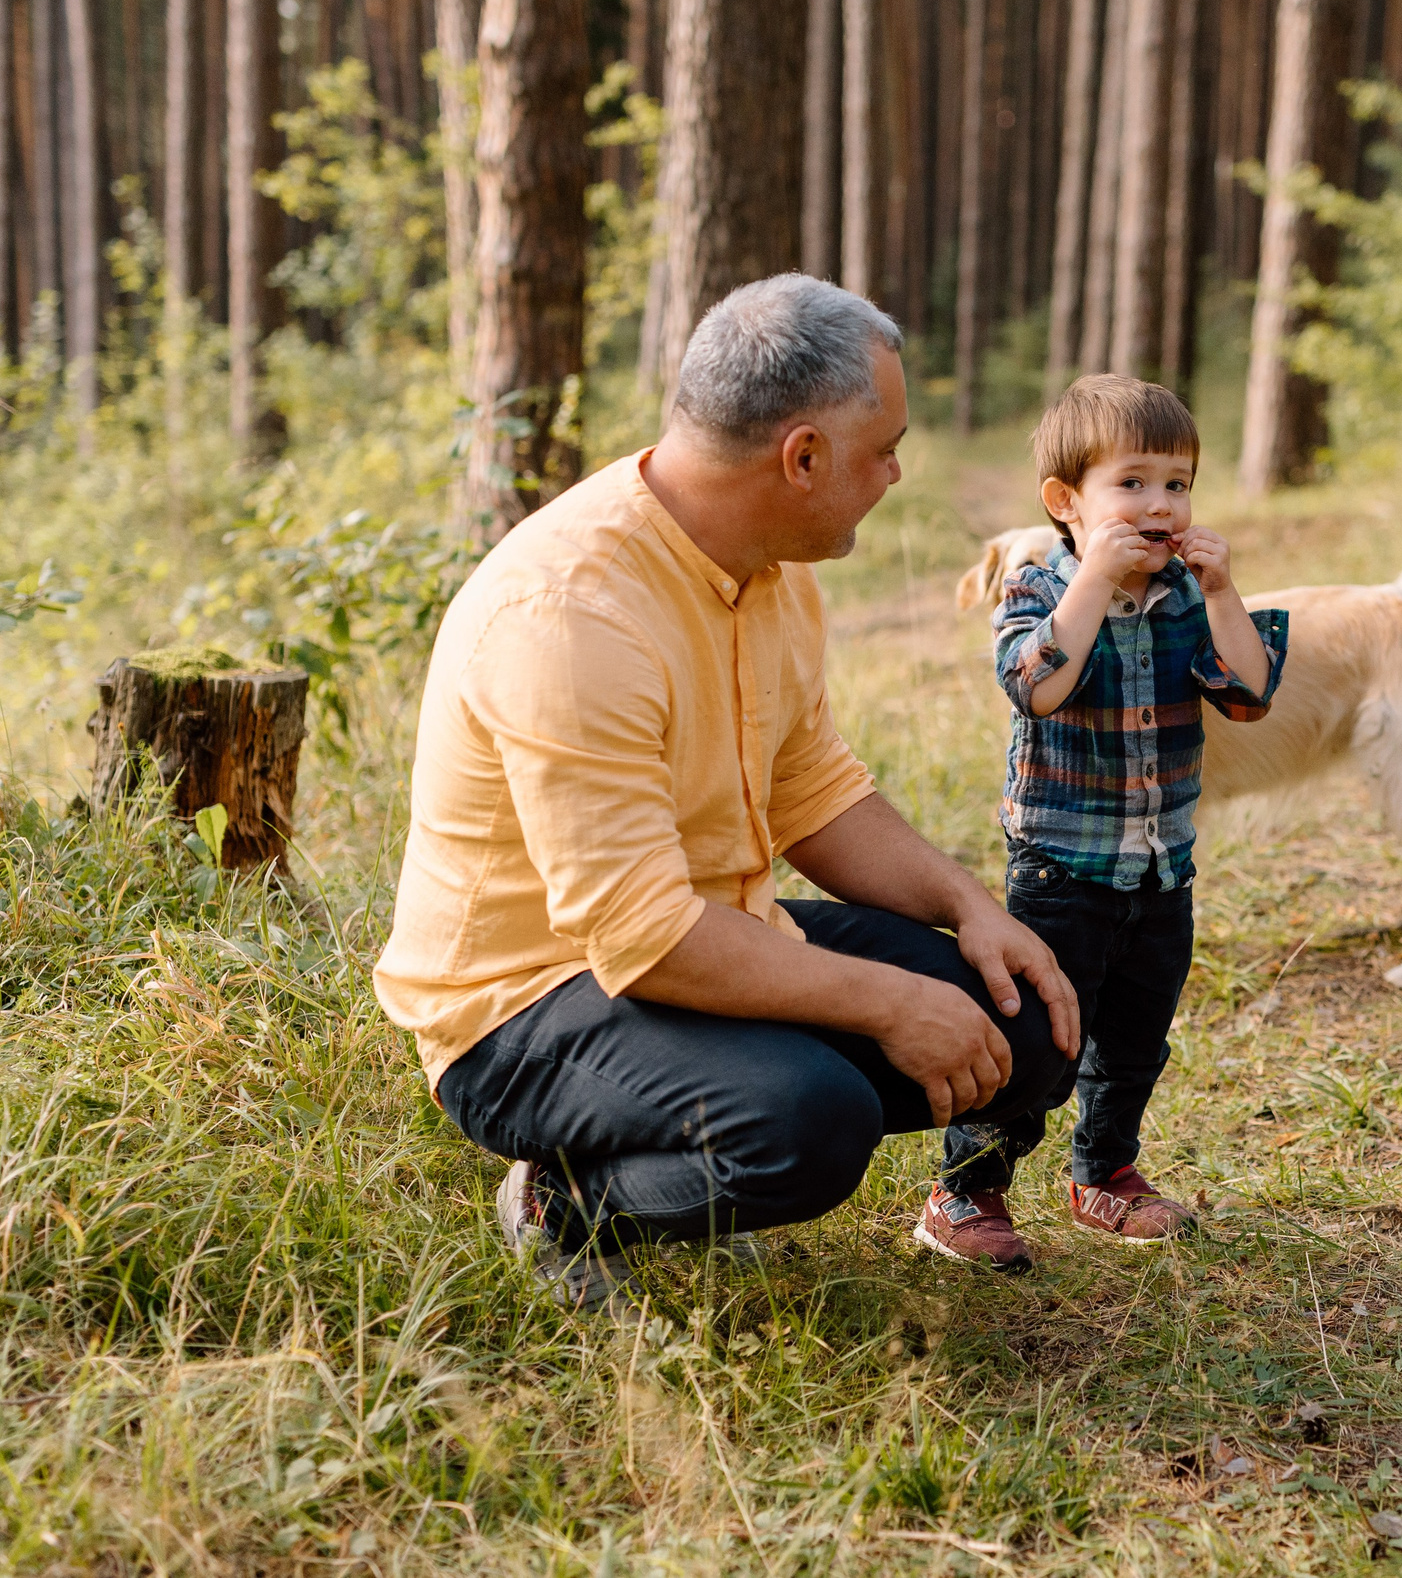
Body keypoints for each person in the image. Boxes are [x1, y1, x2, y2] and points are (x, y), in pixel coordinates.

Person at [374, 274, 1080, 1309]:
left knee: (1023, 1029)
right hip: (526, 1004)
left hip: (708, 933)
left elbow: (814, 791)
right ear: (801, 457)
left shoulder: (769, 562)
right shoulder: (571, 614)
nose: (895, 470)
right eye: (882, 446)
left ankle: (697, 1123)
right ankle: (565, 1199)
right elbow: (640, 932)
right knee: (807, 1125)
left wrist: (972, 912)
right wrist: (890, 1001)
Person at [913, 375, 1288, 1269]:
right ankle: (965, 1190)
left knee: (1135, 1036)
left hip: (1162, 869)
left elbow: (1249, 695)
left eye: (1178, 483)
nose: (1160, 504)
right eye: (1133, 483)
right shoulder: (1040, 587)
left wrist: (1226, 589)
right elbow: (1035, 683)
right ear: (1065, 502)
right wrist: (1093, 577)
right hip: (1061, 869)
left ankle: (1105, 1171)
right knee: (1038, 1037)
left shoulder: (1188, 596)